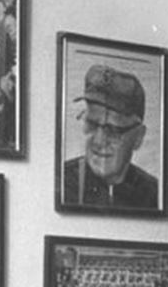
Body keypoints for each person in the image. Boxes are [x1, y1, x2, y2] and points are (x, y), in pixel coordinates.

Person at [62, 64, 158, 210]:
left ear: (138, 137)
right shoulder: (62, 181)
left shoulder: (153, 193)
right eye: (92, 124)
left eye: (113, 130)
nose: (99, 141)